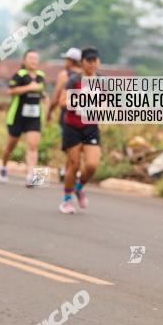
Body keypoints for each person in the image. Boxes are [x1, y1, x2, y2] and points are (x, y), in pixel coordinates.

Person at [59, 46, 101, 214]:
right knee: (74, 164)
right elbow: (63, 101)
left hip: (91, 127)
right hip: (72, 127)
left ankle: (79, 187)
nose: (92, 64)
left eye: (94, 61)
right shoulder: (73, 80)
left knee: (91, 165)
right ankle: (67, 199)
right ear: (82, 62)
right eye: (88, 61)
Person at [0, 49, 47, 187]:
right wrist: (28, 87)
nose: (33, 61)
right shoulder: (19, 75)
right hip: (17, 116)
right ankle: (3, 167)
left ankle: (31, 176)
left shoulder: (40, 76)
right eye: (30, 58)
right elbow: (11, 90)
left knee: (33, 146)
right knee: (11, 145)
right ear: (24, 60)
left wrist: (44, 97)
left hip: (34, 116)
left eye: (35, 58)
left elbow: (41, 90)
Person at [47, 48, 82, 181]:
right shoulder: (88, 75)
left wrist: (49, 112)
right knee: (78, 145)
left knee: (70, 145)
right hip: (85, 117)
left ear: (71, 61)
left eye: (66, 59)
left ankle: (69, 170)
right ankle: (70, 170)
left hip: (67, 116)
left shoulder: (64, 75)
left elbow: (56, 98)